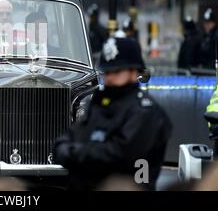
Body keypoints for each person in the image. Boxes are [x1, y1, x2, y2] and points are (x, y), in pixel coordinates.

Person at [53, 37, 172, 191]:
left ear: (134, 71)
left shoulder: (145, 111)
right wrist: (75, 151)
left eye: (116, 71)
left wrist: (76, 153)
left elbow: (119, 156)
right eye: (107, 71)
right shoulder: (98, 103)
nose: (109, 78)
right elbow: (66, 141)